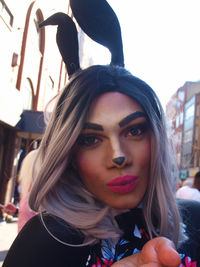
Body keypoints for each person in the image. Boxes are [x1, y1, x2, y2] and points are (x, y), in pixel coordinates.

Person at [3, 1, 200, 266]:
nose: (118, 156)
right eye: (91, 139)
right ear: (69, 154)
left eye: (135, 130)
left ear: (157, 138)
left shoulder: (194, 221)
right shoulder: (46, 241)